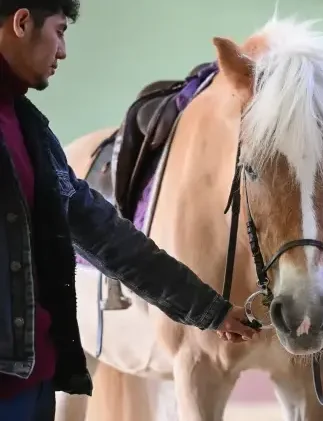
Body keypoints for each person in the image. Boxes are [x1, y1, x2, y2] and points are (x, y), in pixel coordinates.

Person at [0, 2, 257, 419]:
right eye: (60, 31)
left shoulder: (32, 134)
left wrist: (208, 309)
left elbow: (108, 237)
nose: (62, 51)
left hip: (34, 380)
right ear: (22, 22)